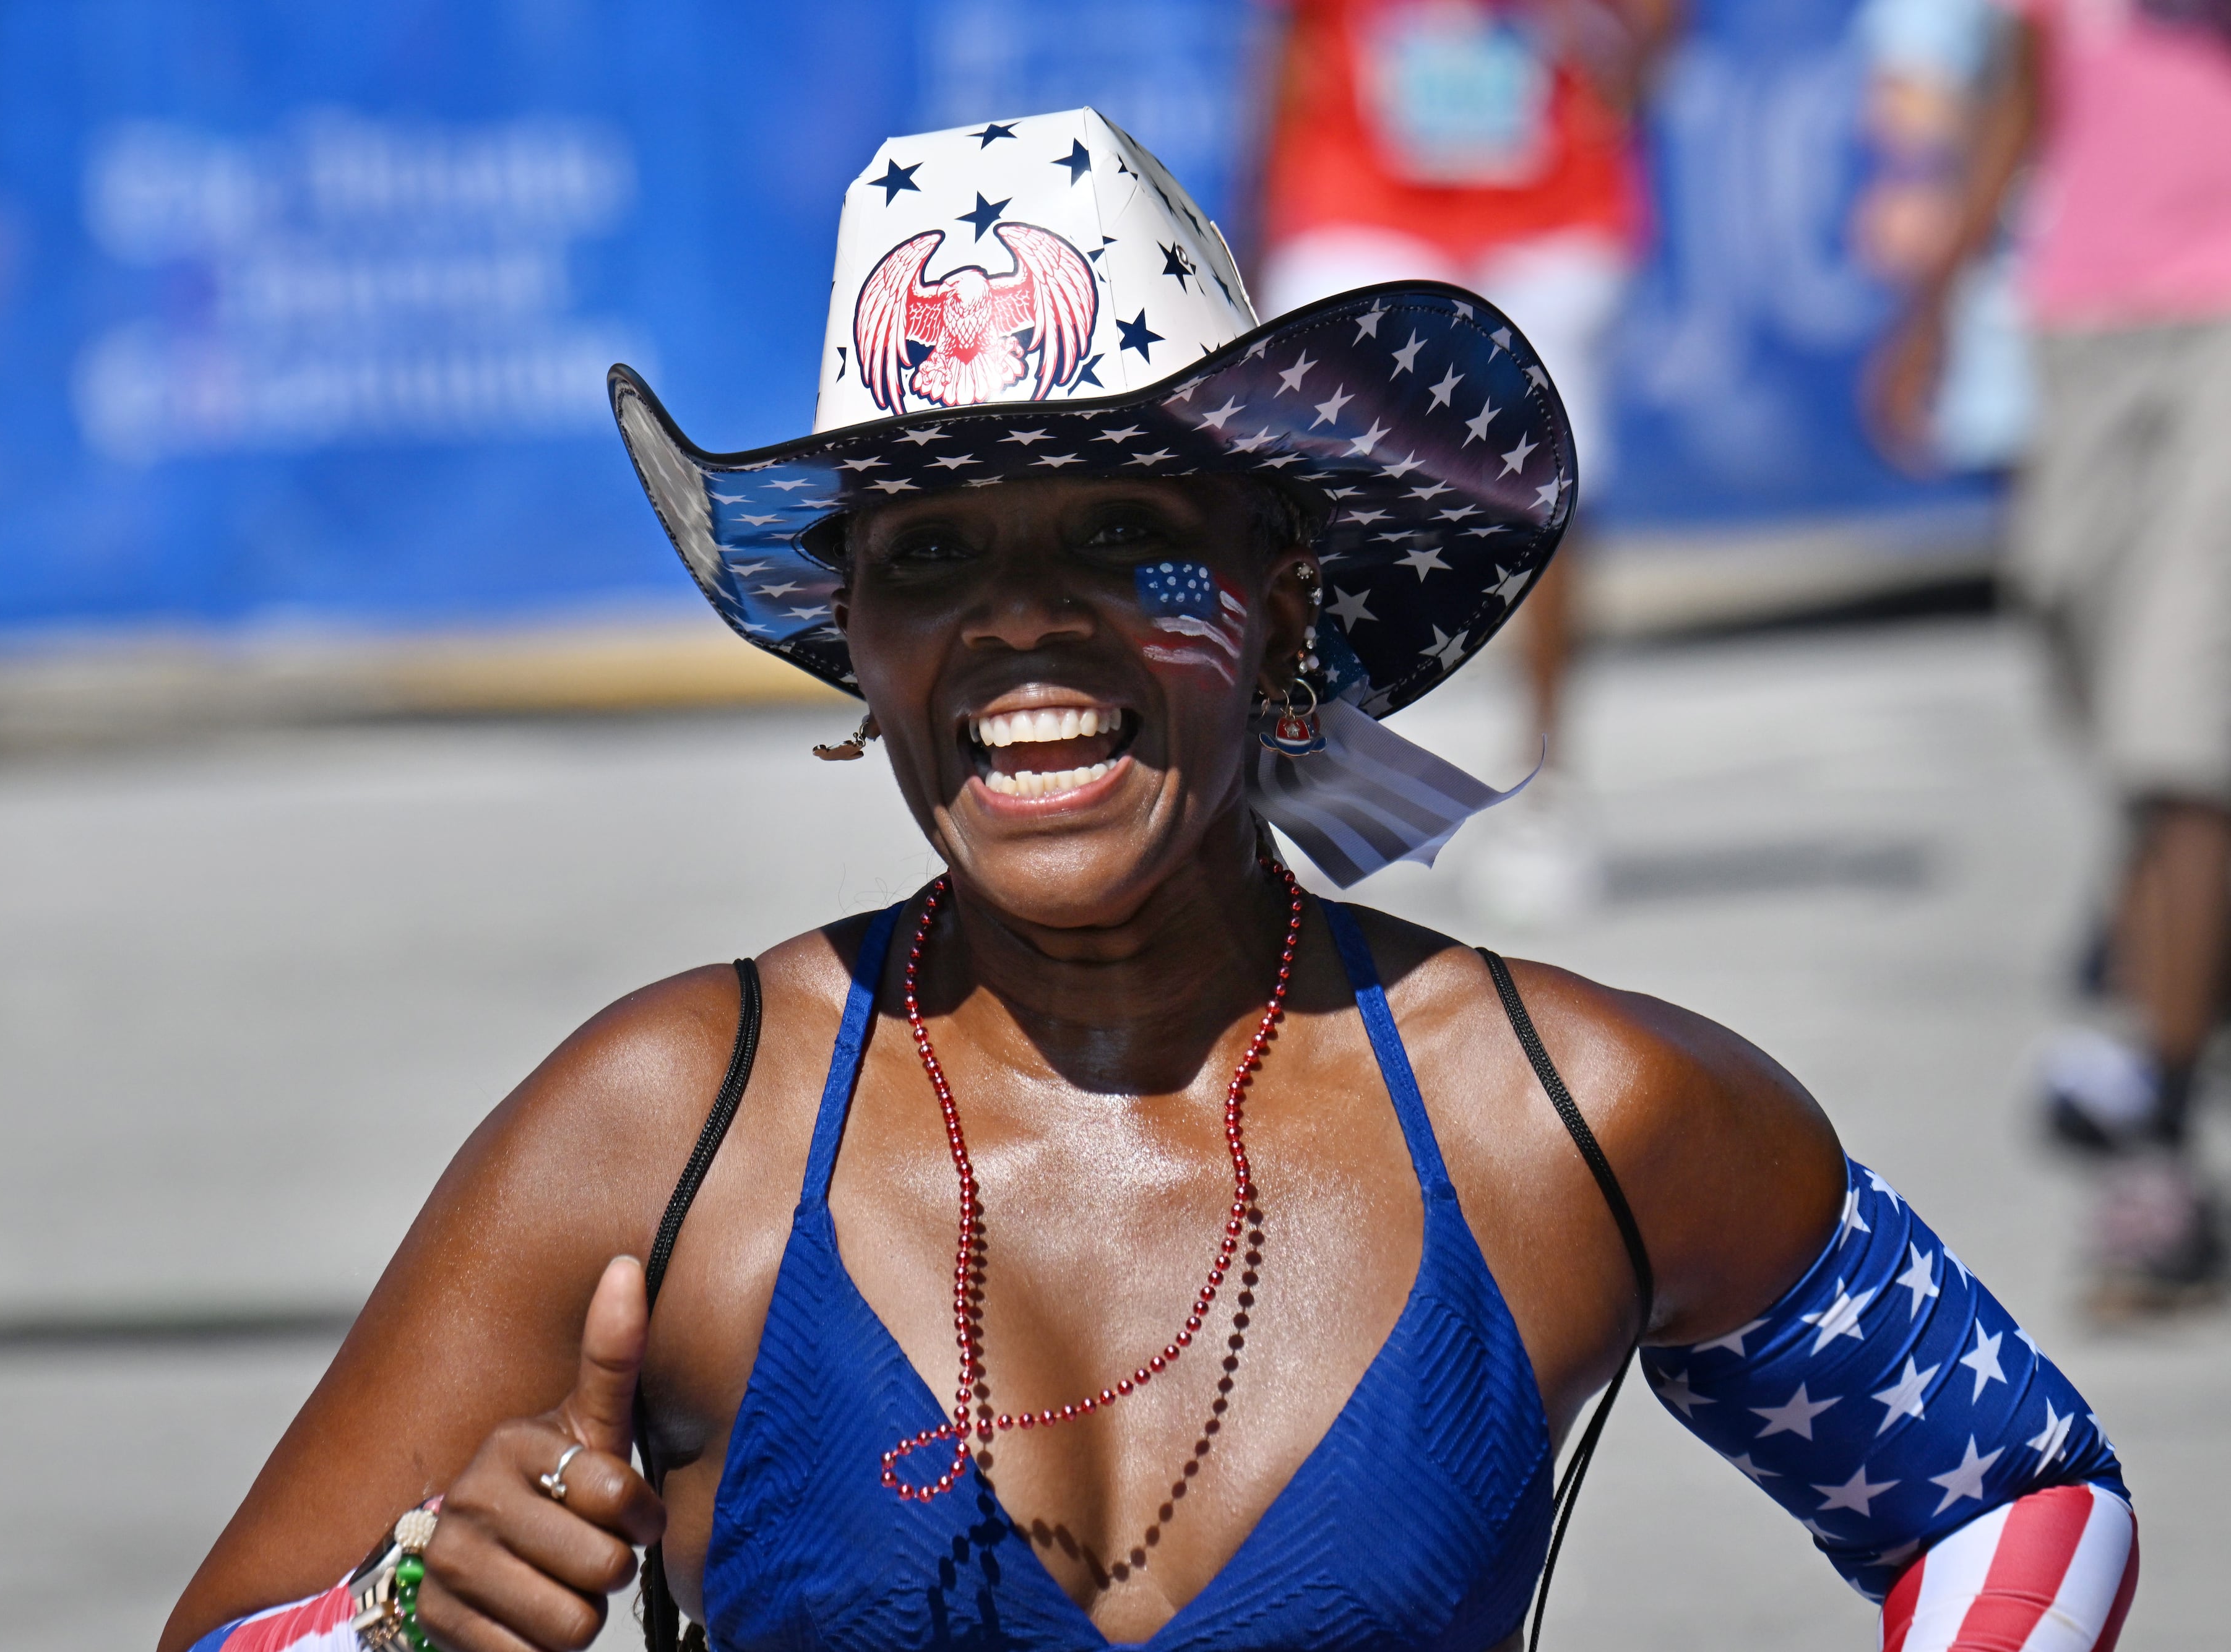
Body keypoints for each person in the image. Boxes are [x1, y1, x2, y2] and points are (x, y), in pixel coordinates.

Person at [166, 109, 2134, 1652]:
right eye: (932, 553)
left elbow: (2011, 1493)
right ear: (855, 637)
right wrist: (415, 1606)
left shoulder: (1567, 1118)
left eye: (1125, 534)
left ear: (1280, 595)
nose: (1027, 622)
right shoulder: (668, 1134)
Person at [1870, 0, 2231, 1314]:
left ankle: (2161, 1148)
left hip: (2223, 325)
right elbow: (2026, 99)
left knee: (2178, 736)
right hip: (2080, 328)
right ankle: (2187, 968)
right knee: (2096, 676)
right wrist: (1933, 302)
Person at [1256, 0, 1684, 924]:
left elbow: (1655, 30)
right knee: (1295, 485)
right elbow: (1288, 40)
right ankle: (1307, 766)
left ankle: (1545, 793)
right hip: (1359, 196)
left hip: (1550, 210)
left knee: (1553, 494)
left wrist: (1615, 62)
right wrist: (1261, 219)